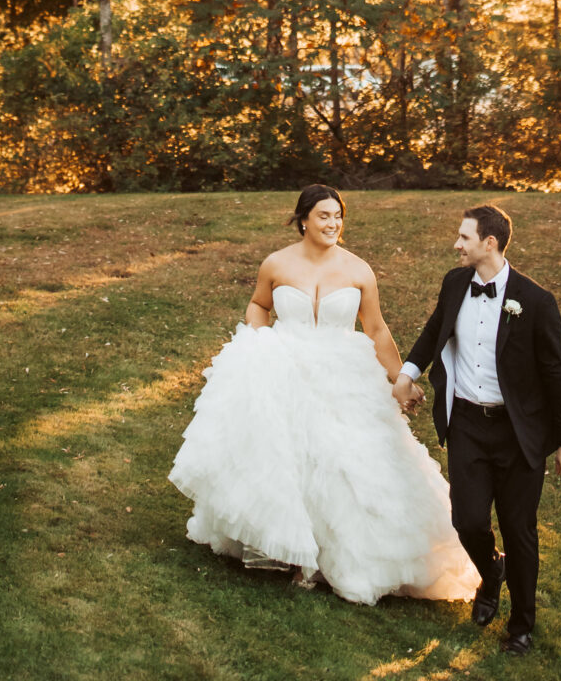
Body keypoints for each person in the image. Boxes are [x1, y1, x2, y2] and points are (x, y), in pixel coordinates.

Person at [168, 183, 476, 605]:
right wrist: (259, 344)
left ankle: (334, 554)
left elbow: (375, 328)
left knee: (339, 461)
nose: (333, 224)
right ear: (303, 221)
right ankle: (288, 548)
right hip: (284, 368)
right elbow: (259, 305)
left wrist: (400, 377)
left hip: (342, 374)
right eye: (324, 216)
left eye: (338, 216)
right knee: (287, 456)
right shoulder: (276, 263)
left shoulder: (358, 270)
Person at [396, 204, 561, 655]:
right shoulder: (454, 283)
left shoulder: (535, 301)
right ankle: (490, 571)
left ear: (489, 243)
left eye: (464, 238)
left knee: (519, 530)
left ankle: (521, 627)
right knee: (468, 520)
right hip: (466, 425)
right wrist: (407, 374)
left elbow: (557, 373)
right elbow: (435, 330)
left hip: (518, 434)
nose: (456, 245)